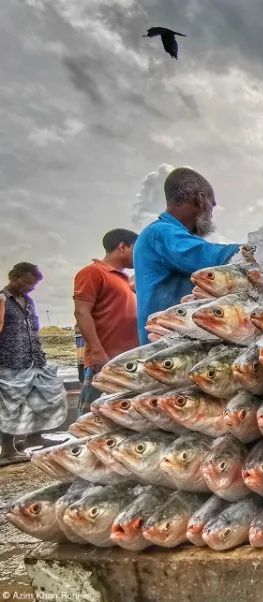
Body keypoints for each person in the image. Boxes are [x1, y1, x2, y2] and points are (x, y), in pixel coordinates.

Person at [133, 167, 240, 344]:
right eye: (212, 206)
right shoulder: (161, 232)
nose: (211, 215)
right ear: (200, 199)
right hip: (166, 348)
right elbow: (214, 259)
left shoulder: (162, 233)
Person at [0, 263, 67, 464]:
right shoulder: (2, 299)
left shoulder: (28, 301)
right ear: (14, 277)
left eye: (34, 285)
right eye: (27, 282)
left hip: (32, 360)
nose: (30, 288)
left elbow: (33, 330)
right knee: (10, 407)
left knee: (39, 398)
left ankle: (33, 437)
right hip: (10, 361)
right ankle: (8, 450)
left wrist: (39, 354)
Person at [73, 229, 140, 411]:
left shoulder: (125, 280)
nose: (140, 254)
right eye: (137, 248)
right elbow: (81, 313)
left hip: (126, 362)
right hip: (104, 360)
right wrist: (97, 351)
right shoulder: (92, 272)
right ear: (122, 247)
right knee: (92, 418)